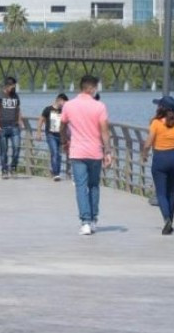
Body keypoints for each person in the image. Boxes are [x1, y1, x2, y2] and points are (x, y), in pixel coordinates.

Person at [60, 75, 112, 236]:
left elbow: (62, 126)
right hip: (95, 152)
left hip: (77, 152)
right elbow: (104, 131)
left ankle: (85, 222)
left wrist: (64, 142)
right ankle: (94, 219)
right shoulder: (100, 106)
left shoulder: (69, 105)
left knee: (81, 187)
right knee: (94, 185)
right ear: (92, 88)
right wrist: (108, 151)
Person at [139, 95, 174, 235]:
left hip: (160, 159)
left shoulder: (156, 123)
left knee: (161, 193)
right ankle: (171, 221)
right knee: (171, 192)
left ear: (161, 108)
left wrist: (144, 154)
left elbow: (149, 142)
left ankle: (166, 219)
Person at [0, 76, 23, 178]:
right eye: (12, 86)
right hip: (2, 127)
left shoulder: (16, 96)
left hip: (14, 127)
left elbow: (18, 109)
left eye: (14, 86)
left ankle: (13, 167)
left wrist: (20, 121)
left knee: (17, 147)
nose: (13, 88)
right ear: (6, 85)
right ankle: (4, 169)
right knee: (3, 150)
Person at [37, 93, 69, 181]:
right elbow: (41, 120)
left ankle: (56, 172)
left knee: (58, 155)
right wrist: (39, 132)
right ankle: (56, 174)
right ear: (59, 100)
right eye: (64, 103)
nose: (65, 105)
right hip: (51, 135)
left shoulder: (64, 111)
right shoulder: (48, 109)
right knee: (54, 152)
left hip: (61, 136)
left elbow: (67, 123)